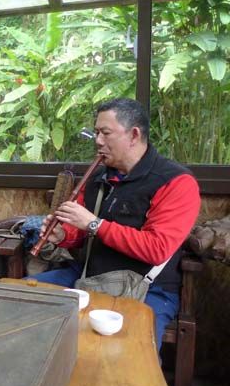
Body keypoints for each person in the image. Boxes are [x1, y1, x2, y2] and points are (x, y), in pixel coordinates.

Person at [30, 98, 200, 350]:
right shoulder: (99, 176)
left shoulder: (175, 182)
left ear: (134, 135)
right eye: (96, 133)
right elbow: (79, 232)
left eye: (105, 133)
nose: (98, 141)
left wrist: (95, 225)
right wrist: (62, 235)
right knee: (24, 302)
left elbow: (157, 249)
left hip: (146, 288)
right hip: (88, 276)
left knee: (133, 352)